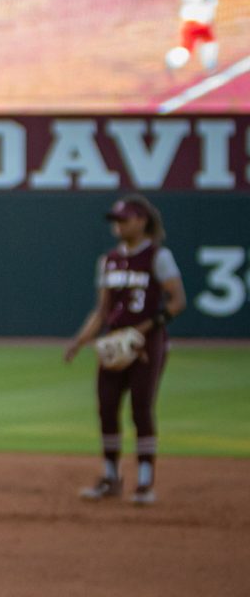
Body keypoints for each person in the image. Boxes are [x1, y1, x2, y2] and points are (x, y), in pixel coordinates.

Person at [64, 195, 185, 506]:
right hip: (115, 342)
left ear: (141, 220)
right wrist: (80, 341)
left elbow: (177, 301)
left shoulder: (159, 257)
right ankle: (110, 477)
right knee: (106, 408)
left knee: (141, 409)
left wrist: (143, 330)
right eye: (115, 220)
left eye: (124, 219)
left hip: (147, 343)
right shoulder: (109, 260)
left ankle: (145, 482)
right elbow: (102, 309)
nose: (117, 225)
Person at [168, 0, 218, 76]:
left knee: (210, 44)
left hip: (205, 25)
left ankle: (210, 66)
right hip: (192, 24)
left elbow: (211, 6)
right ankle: (172, 61)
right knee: (187, 49)